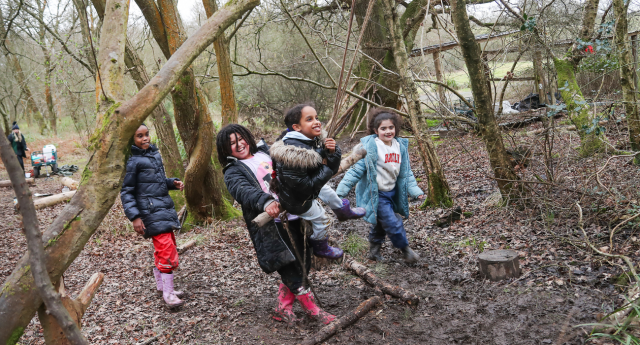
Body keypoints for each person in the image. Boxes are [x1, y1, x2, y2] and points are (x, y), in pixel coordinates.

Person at [218, 124, 335, 325]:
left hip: (297, 215)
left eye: (240, 138)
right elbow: (243, 190)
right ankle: (312, 310)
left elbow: (294, 152)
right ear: (225, 150)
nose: (239, 144)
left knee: (303, 260)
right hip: (273, 226)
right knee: (290, 267)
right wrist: (266, 201)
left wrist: (322, 149)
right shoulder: (232, 171)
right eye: (232, 143)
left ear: (247, 137)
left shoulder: (267, 151)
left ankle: (282, 306)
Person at [270, 104, 361, 260]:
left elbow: (328, 166)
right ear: (296, 127)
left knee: (329, 192)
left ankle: (342, 211)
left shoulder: (312, 140)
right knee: (323, 220)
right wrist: (327, 168)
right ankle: (321, 246)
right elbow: (306, 186)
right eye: (309, 119)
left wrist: (332, 152)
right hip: (298, 200)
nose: (317, 122)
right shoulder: (293, 153)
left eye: (317, 117)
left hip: (307, 187)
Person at [336, 108, 424, 264]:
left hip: (392, 193)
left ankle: (373, 251)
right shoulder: (371, 148)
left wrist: (416, 191)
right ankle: (406, 251)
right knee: (393, 221)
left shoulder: (400, 146)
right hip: (377, 194)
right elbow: (354, 171)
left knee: (381, 223)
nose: (388, 131)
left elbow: (406, 172)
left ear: (395, 128)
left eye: (391, 127)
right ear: (376, 131)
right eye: (383, 128)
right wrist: (341, 192)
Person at [120, 124, 186, 308]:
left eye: (147, 134)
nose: (145, 139)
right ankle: (168, 293)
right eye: (139, 136)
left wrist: (172, 183)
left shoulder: (154, 156)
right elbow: (127, 191)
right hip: (149, 212)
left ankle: (162, 286)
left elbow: (156, 183)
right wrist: (134, 217)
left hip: (162, 208)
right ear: (131, 140)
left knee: (165, 246)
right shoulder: (133, 162)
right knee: (167, 251)